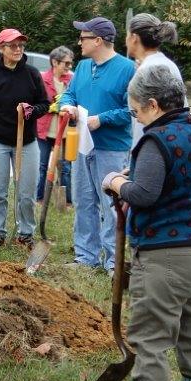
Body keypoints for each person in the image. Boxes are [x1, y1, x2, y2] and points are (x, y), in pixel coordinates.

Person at [100, 64, 191, 381]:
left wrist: (117, 181)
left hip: (169, 255)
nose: (137, 118)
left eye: (137, 110)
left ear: (154, 104)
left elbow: (144, 194)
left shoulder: (157, 140)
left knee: (151, 336)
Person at [58, 17, 135, 272]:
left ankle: (114, 261)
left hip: (111, 147)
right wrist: (66, 104)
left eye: (84, 38)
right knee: (84, 200)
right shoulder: (82, 66)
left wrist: (101, 120)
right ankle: (86, 257)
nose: (79, 42)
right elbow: (70, 92)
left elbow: (132, 110)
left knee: (111, 204)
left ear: (98, 40)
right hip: (82, 145)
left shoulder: (127, 69)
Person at [0, 29, 48, 248]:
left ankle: (26, 234)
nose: (18, 49)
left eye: (20, 46)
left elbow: (44, 104)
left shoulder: (32, 74)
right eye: (12, 46)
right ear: (1, 48)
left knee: (26, 193)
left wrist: (30, 111)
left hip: (26, 142)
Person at [125, 13, 184, 148]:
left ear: (134, 38)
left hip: (154, 147)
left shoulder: (148, 70)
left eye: (127, 35)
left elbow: (145, 119)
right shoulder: (166, 64)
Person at [36, 45, 74, 204]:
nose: (69, 67)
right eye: (66, 63)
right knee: (42, 166)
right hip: (44, 131)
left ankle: (66, 201)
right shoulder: (42, 79)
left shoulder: (72, 80)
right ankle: (39, 198)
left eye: (71, 63)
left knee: (66, 168)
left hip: (65, 132)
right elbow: (35, 103)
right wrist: (49, 107)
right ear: (54, 62)